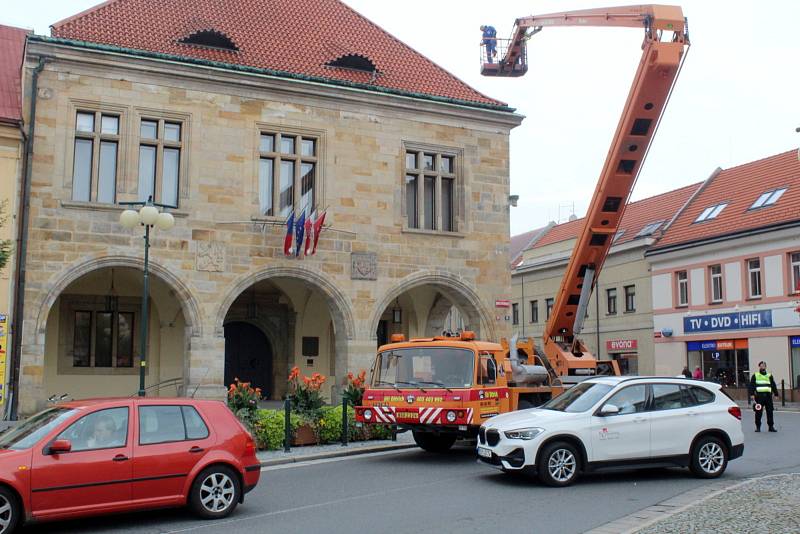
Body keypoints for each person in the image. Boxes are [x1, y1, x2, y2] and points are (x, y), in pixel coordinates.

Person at [749, 361, 779, 432]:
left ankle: (771, 427)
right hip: (759, 397)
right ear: (759, 366)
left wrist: (776, 394)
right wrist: (752, 394)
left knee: (770, 411)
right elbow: (752, 385)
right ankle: (758, 427)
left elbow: (773, 385)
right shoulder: (755, 375)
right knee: (758, 412)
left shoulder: (769, 375)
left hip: (768, 397)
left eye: (764, 365)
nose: (763, 366)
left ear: (766, 367)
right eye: (761, 365)